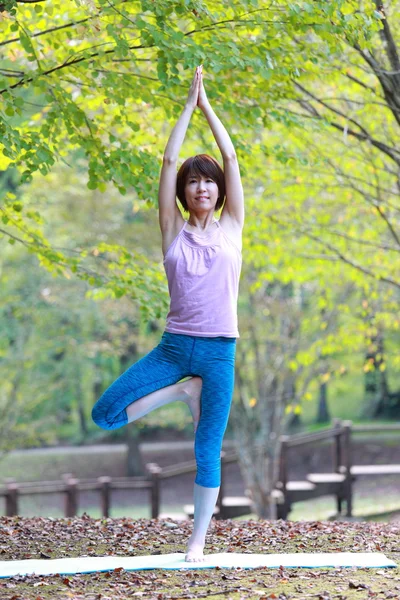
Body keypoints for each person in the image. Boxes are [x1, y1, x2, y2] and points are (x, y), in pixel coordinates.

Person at [92, 65, 244, 562]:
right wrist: (185, 107)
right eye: (193, 183)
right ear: (183, 193)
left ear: (220, 191)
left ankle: (196, 541)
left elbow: (231, 155)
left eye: (209, 183)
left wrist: (208, 107)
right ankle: (181, 391)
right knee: (106, 413)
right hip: (175, 348)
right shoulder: (172, 230)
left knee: (207, 450)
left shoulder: (232, 229)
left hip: (220, 353)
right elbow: (168, 157)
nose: (202, 187)